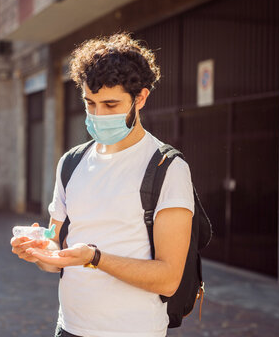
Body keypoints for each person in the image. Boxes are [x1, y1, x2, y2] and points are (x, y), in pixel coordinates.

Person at [10, 32, 194, 337]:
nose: (98, 115)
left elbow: (168, 278)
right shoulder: (70, 163)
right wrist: (41, 251)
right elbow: (57, 251)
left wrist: (95, 258)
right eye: (90, 103)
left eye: (110, 104)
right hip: (68, 327)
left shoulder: (167, 168)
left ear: (141, 98)